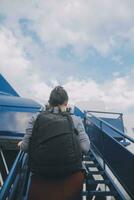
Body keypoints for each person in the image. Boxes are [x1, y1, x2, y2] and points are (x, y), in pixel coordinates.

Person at [18, 86, 90, 200]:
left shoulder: (36, 118)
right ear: (66, 103)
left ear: (49, 102)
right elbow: (85, 148)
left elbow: (25, 147)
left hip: (42, 178)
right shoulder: (75, 120)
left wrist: (21, 144)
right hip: (72, 180)